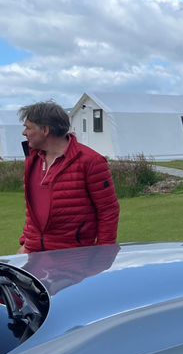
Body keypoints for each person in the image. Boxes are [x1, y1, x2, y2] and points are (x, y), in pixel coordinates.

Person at [17, 101, 120, 253]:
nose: (24, 133)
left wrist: (104, 253)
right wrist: (26, 241)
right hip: (33, 253)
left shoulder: (91, 161)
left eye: (27, 127)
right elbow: (33, 209)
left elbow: (108, 210)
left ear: (45, 130)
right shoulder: (33, 159)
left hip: (73, 257)